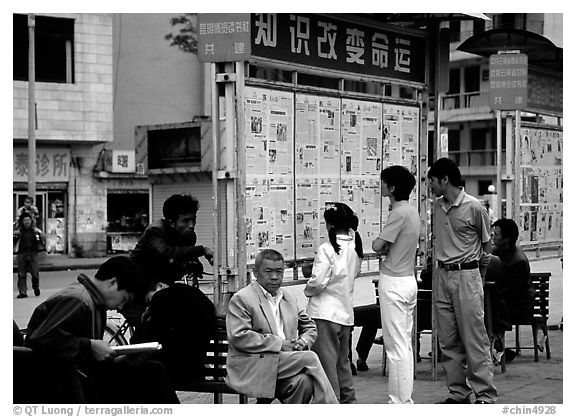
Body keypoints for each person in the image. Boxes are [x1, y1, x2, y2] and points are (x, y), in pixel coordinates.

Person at [24, 256, 179, 403]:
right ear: (112, 283)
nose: (120, 307)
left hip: (80, 376)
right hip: (65, 384)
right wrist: (90, 345)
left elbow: (83, 354)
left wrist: (120, 361)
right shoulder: (78, 299)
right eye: (123, 299)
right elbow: (40, 340)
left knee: (152, 370)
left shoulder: (95, 304)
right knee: (152, 375)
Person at [226, 249, 338, 404]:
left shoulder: (288, 297)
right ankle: (330, 407)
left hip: (284, 363)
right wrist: (279, 344)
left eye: (279, 271)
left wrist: (303, 341)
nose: (274, 277)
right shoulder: (242, 298)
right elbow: (239, 336)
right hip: (255, 364)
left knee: (303, 382)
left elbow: (309, 326)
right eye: (268, 271)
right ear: (256, 272)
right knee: (310, 358)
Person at [427, 157, 497, 404]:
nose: (431, 187)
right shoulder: (436, 206)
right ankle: (458, 393)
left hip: (467, 275)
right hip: (441, 275)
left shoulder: (475, 207)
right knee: (447, 341)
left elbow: (487, 244)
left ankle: (485, 395)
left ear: (444, 179)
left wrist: (479, 274)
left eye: (433, 181)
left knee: (473, 338)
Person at [304, 202, 363, 403]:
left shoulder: (326, 248)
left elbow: (318, 281)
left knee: (326, 365)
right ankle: (348, 400)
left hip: (324, 313)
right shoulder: (354, 246)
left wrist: (308, 290)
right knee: (342, 363)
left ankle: (331, 402)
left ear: (329, 224)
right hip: (345, 313)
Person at [372, 165, 420, 404]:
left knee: (395, 348)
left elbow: (378, 246)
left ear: (391, 187)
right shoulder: (413, 212)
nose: (380, 186)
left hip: (393, 281)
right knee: (405, 346)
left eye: (383, 182)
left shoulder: (397, 214)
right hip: (409, 279)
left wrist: (380, 243)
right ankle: (404, 399)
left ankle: (398, 402)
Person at [126, 194, 214, 323]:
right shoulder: (155, 231)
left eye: (194, 219)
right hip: (138, 287)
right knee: (155, 324)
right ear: (171, 222)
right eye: (185, 220)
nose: (191, 225)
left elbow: (187, 257)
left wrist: (195, 265)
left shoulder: (189, 236)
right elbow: (167, 254)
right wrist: (202, 250)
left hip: (162, 284)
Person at [131, 280, 217, 385]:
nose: (150, 305)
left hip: (173, 370)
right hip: (195, 370)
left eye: (150, 299)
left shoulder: (161, 297)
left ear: (160, 286)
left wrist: (146, 319)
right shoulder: (190, 294)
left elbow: (151, 333)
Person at [491, 219, 538, 350]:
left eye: (496, 234)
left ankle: (493, 347)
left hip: (518, 305)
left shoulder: (518, 261)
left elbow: (510, 291)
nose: (492, 237)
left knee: (485, 311)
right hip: (505, 302)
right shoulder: (497, 251)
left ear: (507, 238)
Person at [14, 212, 46, 298]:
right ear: (22, 221)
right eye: (25, 220)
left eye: (28, 220)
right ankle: (23, 292)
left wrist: (39, 231)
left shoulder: (35, 231)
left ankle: (36, 287)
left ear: (31, 221)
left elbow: (44, 237)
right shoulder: (19, 231)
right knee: (21, 274)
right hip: (22, 254)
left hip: (33, 254)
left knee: (35, 274)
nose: (27, 222)